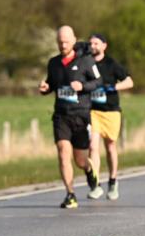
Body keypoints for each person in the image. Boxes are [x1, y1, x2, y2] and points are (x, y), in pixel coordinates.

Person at [39, 26, 101, 209]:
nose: (63, 45)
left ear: (74, 40)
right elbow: (51, 84)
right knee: (63, 152)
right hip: (61, 116)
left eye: (66, 41)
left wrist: (82, 86)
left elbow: (98, 82)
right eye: (60, 42)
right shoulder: (54, 63)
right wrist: (45, 89)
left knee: (80, 160)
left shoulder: (86, 61)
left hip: (80, 115)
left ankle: (89, 170)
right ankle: (70, 194)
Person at [85, 33, 133, 201]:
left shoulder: (111, 64)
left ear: (104, 46)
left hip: (111, 111)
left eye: (96, 43)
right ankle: (96, 184)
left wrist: (113, 87)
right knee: (92, 146)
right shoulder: (86, 63)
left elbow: (129, 82)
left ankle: (112, 181)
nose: (93, 46)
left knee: (111, 146)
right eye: (91, 43)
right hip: (93, 111)